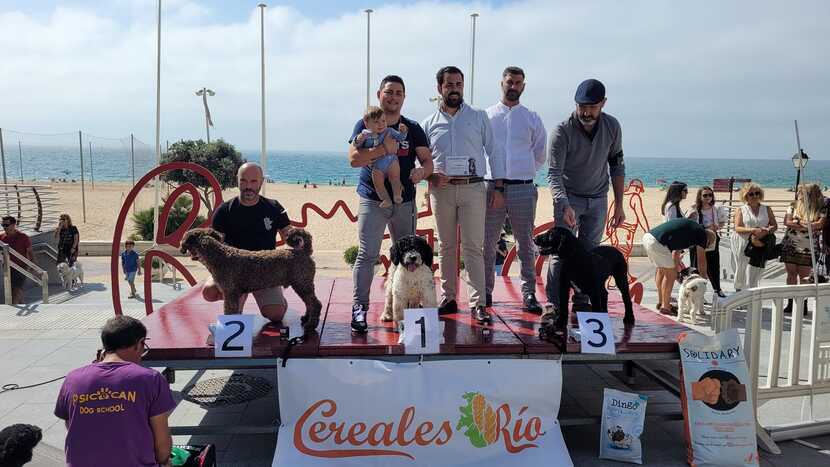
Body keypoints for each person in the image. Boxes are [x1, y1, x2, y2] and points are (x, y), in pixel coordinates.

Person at [348, 75, 433, 333]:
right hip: (372, 199)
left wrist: (422, 172)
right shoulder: (364, 123)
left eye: (398, 93)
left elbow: (427, 162)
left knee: (406, 257)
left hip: (404, 201)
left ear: (404, 97)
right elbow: (354, 159)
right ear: (379, 95)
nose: (393, 97)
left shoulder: (412, 127)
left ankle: (406, 309)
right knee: (367, 254)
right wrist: (384, 150)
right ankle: (360, 308)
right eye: (389, 92)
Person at [421, 66, 503, 324]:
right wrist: (429, 178)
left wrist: (498, 186)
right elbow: (421, 161)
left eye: (458, 84)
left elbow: (494, 151)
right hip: (441, 190)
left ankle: (478, 303)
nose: (454, 89)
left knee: (473, 247)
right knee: (446, 247)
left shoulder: (478, 117)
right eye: (449, 85)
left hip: (473, 188)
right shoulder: (428, 124)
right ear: (440, 88)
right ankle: (449, 298)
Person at [545, 79, 625, 319]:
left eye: (592, 107)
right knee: (560, 254)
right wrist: (563, 204)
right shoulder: (561, 131)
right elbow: (553, 173)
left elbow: (617, 165)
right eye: (582, 106)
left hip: (598, 198)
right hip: (569, 198)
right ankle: (553, 305)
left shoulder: (612, 126)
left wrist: (619, 204)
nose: (586, 112)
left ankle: (581, 302)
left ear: (603, 104)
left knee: (589, 253)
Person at [54, 316, 175, 467]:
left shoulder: (73, 379)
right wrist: (165, 462)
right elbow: (162, 447)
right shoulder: (151, 379)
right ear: (139, 344)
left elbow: (71, 425)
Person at [483, 66, 546, 312]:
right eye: (510, 82)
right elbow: (480, 149)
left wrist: (522, 173)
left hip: (523, 187)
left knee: (525, 243)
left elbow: (539, 154)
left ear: (523, 86)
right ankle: (485, 293)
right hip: (492, 187)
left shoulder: (532, 118)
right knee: (488, 242)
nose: (513, 86)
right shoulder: (487, 116)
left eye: (518, 83)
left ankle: (528, 293)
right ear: (502, 83)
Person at [203, 162, 292, 322]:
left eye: (253, 181)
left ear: (261, 182)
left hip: (265, 270)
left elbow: (289, 234)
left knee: (276, 315)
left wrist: (299, 243)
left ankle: (278, 301)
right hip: (233, 271)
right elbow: (213, 245)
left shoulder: (274, 207)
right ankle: (237, 297)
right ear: (237, 181)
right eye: (243, 181)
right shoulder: (224, 210)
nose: (248, 186)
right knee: (209, 292)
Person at [642, 218, 717, 315]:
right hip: (657, 242)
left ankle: (661, 302)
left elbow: (675, 253)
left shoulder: (691, 231)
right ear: (708, 240)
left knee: (662, 270)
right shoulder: (702, 235)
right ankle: (665, 307)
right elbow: (701, 260)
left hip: (648, 238)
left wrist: (674, 268)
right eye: (706, 245)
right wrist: (703, 279)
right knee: (670, 275)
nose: (704, 247)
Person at [352, 105, 409, 208]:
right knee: (378, 184)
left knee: (395, 178)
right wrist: (360, 137)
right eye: (376, 122)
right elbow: (356, 146)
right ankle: (386, 199)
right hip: (377, 165)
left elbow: (400, 137)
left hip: (391, 160)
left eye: (383, 121)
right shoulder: (366, 136)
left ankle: (397, 195)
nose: (381, 124)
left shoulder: (389, 131)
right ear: (366, 124)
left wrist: (403, 131)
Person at [781, 183, 826, 311]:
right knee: (791, 275)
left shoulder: (821, 208)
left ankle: (803, 304)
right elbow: (787, 222)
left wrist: (799, 222)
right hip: (791, 244)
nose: (798, 194)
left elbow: (819, 225)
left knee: (804, 277)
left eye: (800, 192)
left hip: (809, 246)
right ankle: (790, 302)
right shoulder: (793, 205)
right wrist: (807, 225)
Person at [731, 182, 778, 291]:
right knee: (742, 267)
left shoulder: (767, 209)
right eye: (751, 194)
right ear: (745, 196)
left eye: (757, 193)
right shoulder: (741, 209)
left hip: (760, 241)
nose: (755, 196)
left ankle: (752, 289)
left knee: (757, 267)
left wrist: (767, 231)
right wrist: (753, 230)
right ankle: (739, 290)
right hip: (743, 241)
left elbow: (774, 225)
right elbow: (737, 228)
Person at [687, 186, 728, 298]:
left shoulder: (716, 208)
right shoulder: (694, 209)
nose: (708, 197)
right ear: (700, 197)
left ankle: (717, 289)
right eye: (705, 195)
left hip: (712, 238)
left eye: (710, 195)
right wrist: (705, 227)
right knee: (696, 266)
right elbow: (689, 224)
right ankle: (696, 292)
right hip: (697, 240)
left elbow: (722, 222)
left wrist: (717, 226)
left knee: (713, 265)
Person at [0, 216, 33, 305]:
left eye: (6, 225)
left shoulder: (23, 237)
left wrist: (33, 266)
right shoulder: (1, 238)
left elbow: (30, 252)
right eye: (3, 225)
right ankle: (21, 304)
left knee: (17, 288)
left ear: (13, 225)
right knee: (13, 289)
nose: (4, 227)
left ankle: (13, 309)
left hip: (21, 267)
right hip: (8, 268)